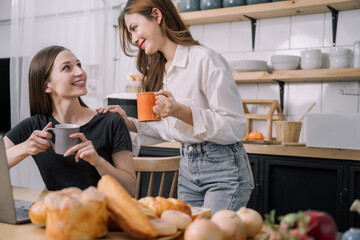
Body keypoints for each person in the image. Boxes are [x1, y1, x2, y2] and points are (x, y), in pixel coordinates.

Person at [98, 0, 254, 213]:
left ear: (157, 15)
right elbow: (168, 130)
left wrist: (179, 110)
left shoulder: (205, 59)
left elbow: (234, 126)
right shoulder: (159, 70)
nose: (133, 39)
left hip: (224, 171)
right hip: (188, 169)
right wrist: (129, 124)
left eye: (134, 28)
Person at [4, 45, 136, 195]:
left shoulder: (111, 122)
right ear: (47, 86)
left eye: (79, 65)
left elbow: (130, 189)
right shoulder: (35, 126)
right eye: (67, 67)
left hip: (105, 213)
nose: (80, 72)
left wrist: (98, 161)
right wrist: (25, 148)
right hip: (60, 212)